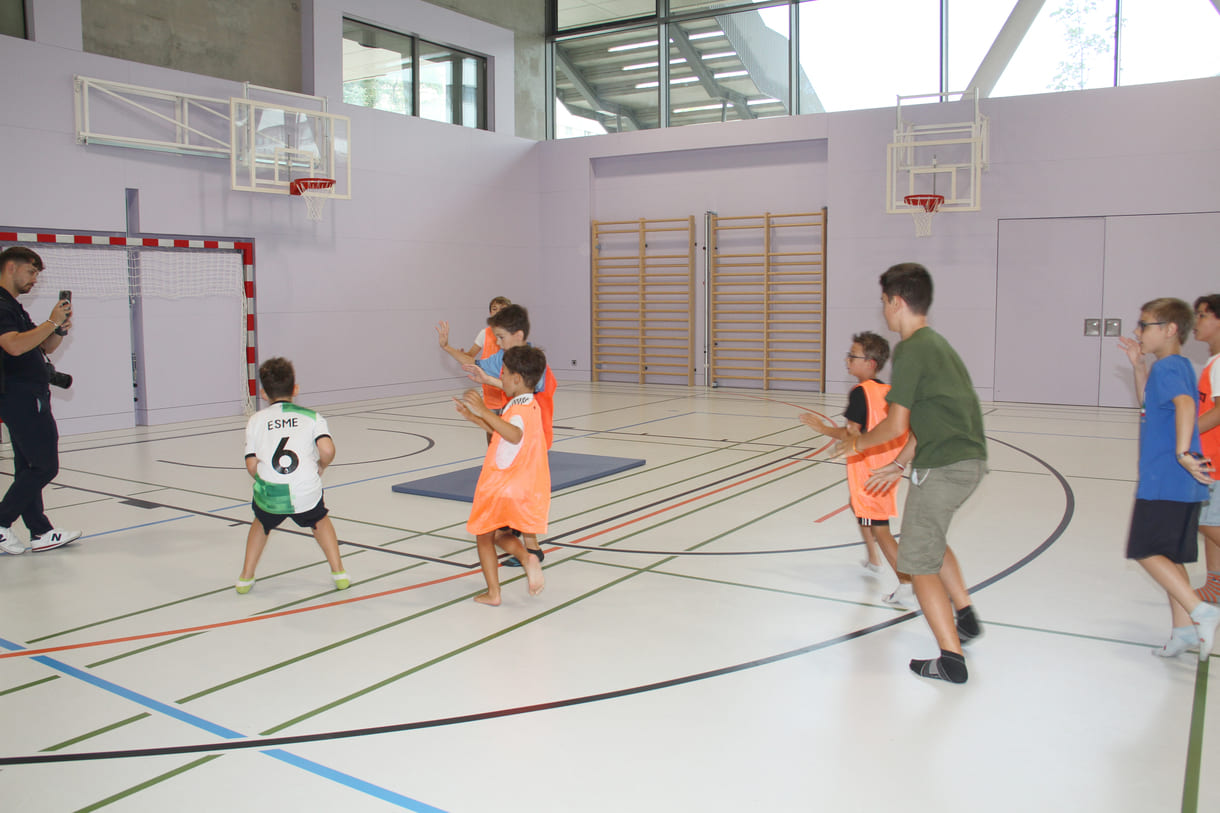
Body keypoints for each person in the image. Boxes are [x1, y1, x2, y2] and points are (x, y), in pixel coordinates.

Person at [845, 263, 987, 684]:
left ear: (896, 302)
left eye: (884, 302)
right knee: (931, 540)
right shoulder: (937, 344)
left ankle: (950, 659)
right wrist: (898, 462)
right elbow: (934, 415)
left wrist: (855, 443)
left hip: (943, 464)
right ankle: (965, 615)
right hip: (967, 458)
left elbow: (895, 424)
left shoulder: (909, 349)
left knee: (919, 562)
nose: (884, 311)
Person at [1117, 298, 1219, 659]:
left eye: (1145, 325)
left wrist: (1182, 453)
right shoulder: (1171, 367)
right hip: (1179, 483)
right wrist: (1138, 368)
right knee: (1168, 555)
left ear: (1170, 329)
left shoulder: (1171, 367)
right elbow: (1151, 405)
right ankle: (1183, 631)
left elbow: (1187, 406)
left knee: (1144, 550)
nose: (1138, 332)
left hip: (1166, 478)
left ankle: (1199, 610)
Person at [437, 303, 557, 565]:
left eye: (500, 337)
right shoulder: (506, 358)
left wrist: (487, 384)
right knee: (512, 489)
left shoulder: (532, 361)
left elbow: (525, 389)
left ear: (519, 335)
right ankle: (523, 543)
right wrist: (447, 348)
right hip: (513, 425)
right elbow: (475, 363)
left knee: (519, 492)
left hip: (531, 434)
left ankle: (529, 548)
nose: (497, 342)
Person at [799, 331, 913, 606]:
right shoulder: (887, 391)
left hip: (869, 472)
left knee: (881, 528)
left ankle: (907, 581)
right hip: (884, 467)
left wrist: (823, 429)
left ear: (870, 363)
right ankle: (874, 558)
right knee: (858, 507)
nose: (847, 360)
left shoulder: (860, 393)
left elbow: (851, 435)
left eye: (853, 356)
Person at [236, 357, 350, 594]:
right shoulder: (312, 417)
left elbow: (250, 465)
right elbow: (327, 450)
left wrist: (266, 479)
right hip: (305, 491)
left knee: (261, 521)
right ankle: (339, 571)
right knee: (319, 519)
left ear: (263, 393)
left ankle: (246, 577)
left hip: (271, 496)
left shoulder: (255, 421)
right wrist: (321, 467)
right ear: (295, 389)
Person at [0, 246, 81, 555]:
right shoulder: (1, 306)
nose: (34, 279)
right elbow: (14, 347)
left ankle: (40, 531)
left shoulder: (13, 306)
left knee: (29, 467)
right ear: (11, 267)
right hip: (20, 396)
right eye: (31, 271)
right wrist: (49, 322)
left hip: (28, 394)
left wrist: (57, 330)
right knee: (45, 466)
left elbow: (39, 346)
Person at [453, 345, 548, 605]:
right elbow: (502, 432)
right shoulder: (528, 404)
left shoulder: (516, 411)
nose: (501, 378)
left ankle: (494, 593)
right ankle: (527, 557)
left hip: (500, 485)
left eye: (504, 374)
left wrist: (484, 410)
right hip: (519, 485)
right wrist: (474, 417)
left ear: (516, 378)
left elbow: (513, 434)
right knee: (496, 534)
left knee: (483, 536)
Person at [1190, 294, 1220, 605]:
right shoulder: (1214, 361)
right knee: (1213, 520)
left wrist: (1186, 434)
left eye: (1202, 315)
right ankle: (1215, 583)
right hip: (1208, 458)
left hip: (1216, 460)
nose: (1196, 322)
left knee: (1207, 521)